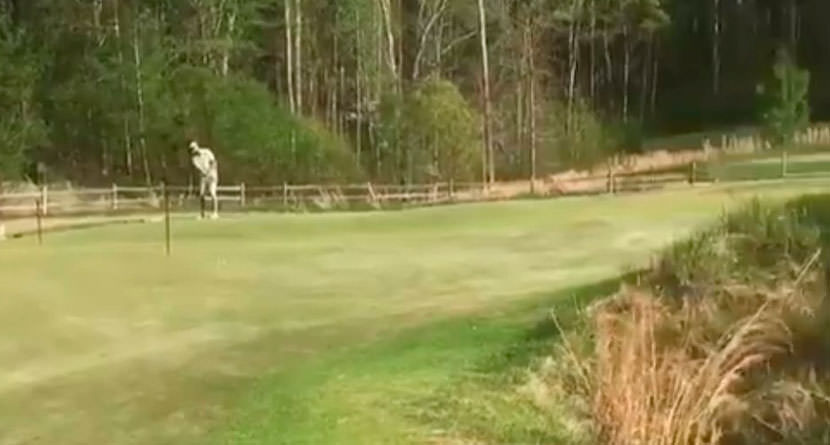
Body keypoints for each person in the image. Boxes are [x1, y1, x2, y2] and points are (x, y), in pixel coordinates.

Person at [189, 140, 219, 219]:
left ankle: (215, 213)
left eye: (194, 148)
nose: (193, 151)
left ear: (197, 147)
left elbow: (214, 162)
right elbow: (200, 169)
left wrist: (210, 172)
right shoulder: (194, 159)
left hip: (212, 174)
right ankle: (202, 214)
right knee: (202, 194)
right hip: (204, 176)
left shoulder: (207, 152)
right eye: (192, 150)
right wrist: (205, 175)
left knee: (212, 193)